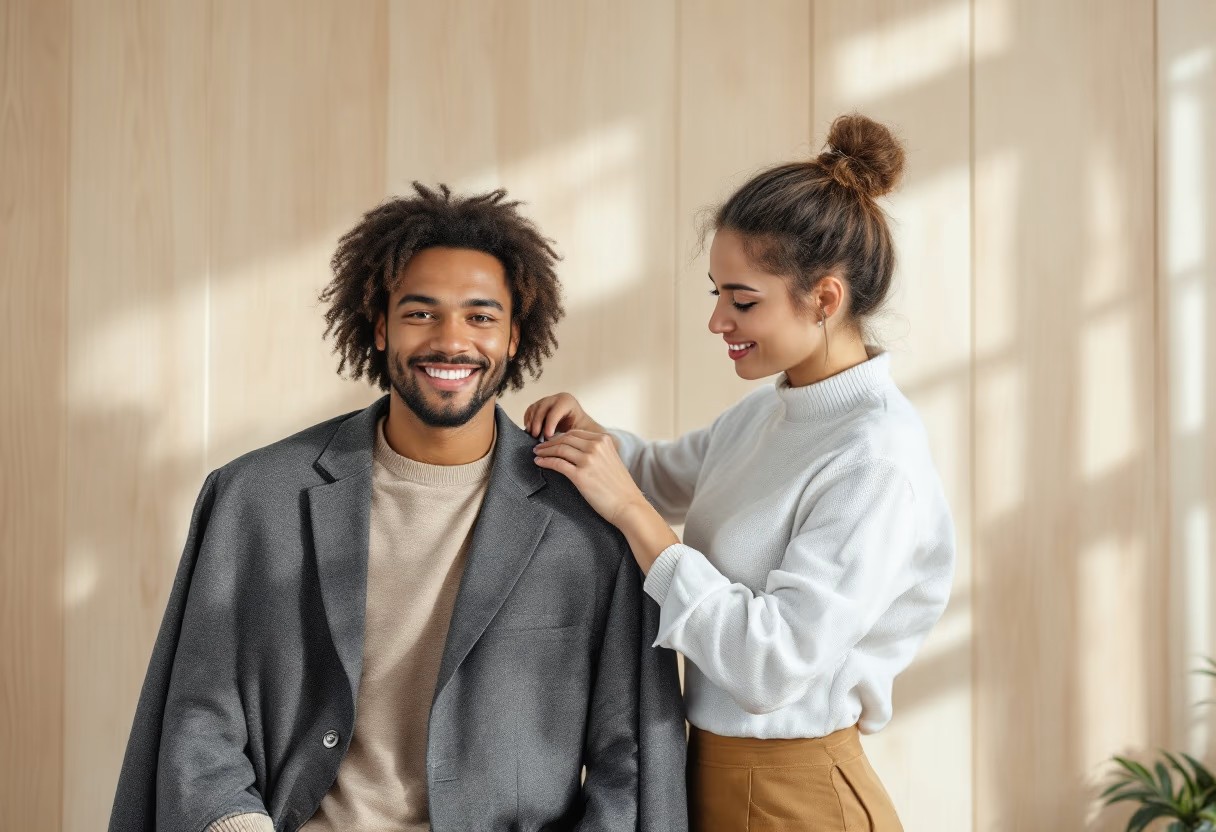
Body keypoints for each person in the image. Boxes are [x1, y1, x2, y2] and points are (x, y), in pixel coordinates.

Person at [108, 184, 688, 832]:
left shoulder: (589, 523)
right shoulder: (253, 501)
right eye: (420, 313)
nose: (451, 340)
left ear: (515, 335)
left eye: (480, 316)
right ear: (380, 326)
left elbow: (630, 764)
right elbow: (199, 720)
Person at [526, 115, 956, 831]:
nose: (718, 321)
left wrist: (635, 515)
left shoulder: (875, 460)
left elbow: (770, 664)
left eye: (743, 300)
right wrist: (589, 433)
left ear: (825, 298)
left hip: (796, 795)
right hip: (711, 774)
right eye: (716, 293)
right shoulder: (769, 414)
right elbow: (661, 472)